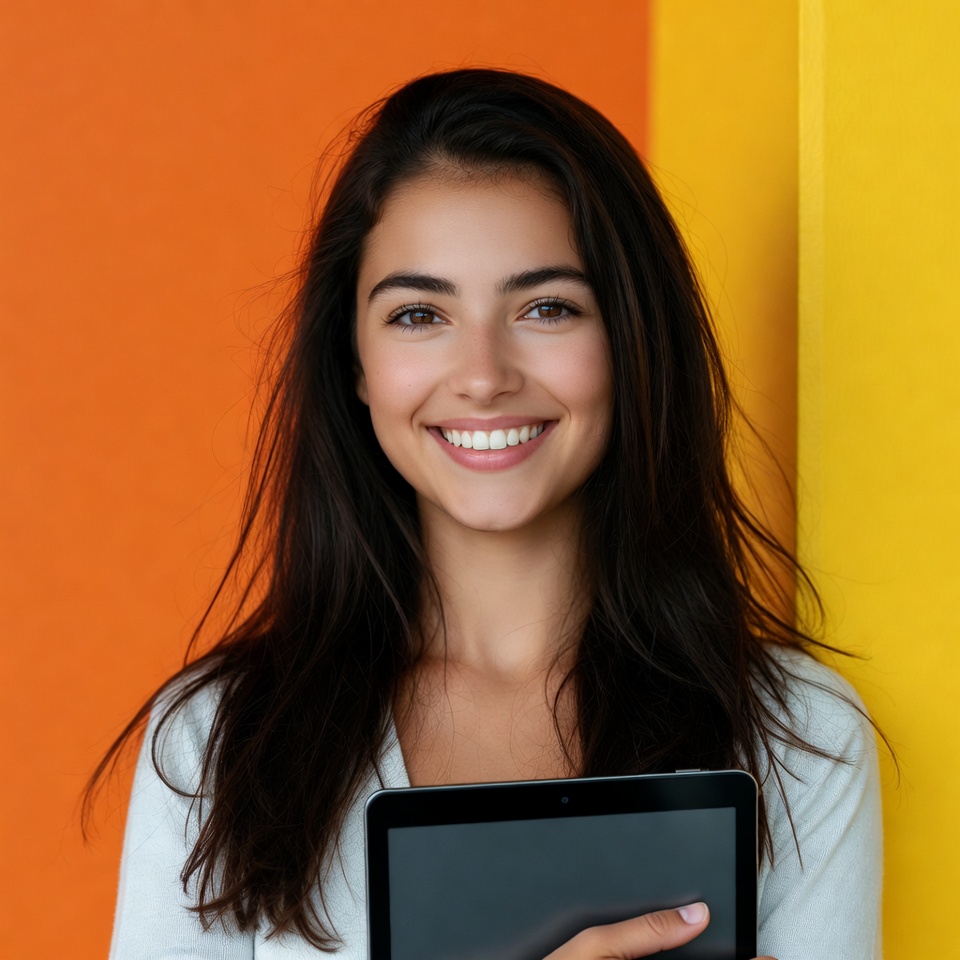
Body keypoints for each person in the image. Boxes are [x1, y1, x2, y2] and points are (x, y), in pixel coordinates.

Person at [92, 68, 882, 959]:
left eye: (547, 307)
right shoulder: (215, 741)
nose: (482, 375)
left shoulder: (802, 742)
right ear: (354, 365)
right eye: (418, 314)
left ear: (632, 341)